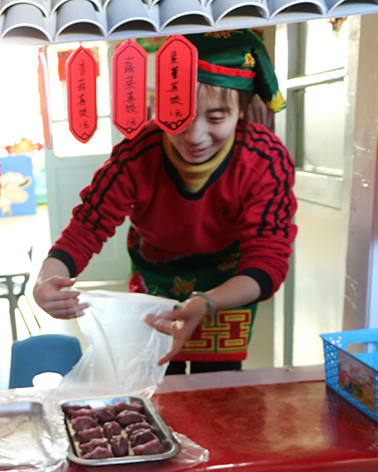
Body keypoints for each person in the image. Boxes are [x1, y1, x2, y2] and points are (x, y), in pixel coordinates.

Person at [33, 30, 297, 375]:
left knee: (216, 393)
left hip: (227, 288)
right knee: (156, 383)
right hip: (154, 282)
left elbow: (268, 260)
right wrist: (46, 280)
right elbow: (87, 226)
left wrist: (208, 301)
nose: (195, 135)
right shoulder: (136, 155)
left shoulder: (264, 160)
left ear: (242, 111)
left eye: (216, 118)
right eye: (180, 114)